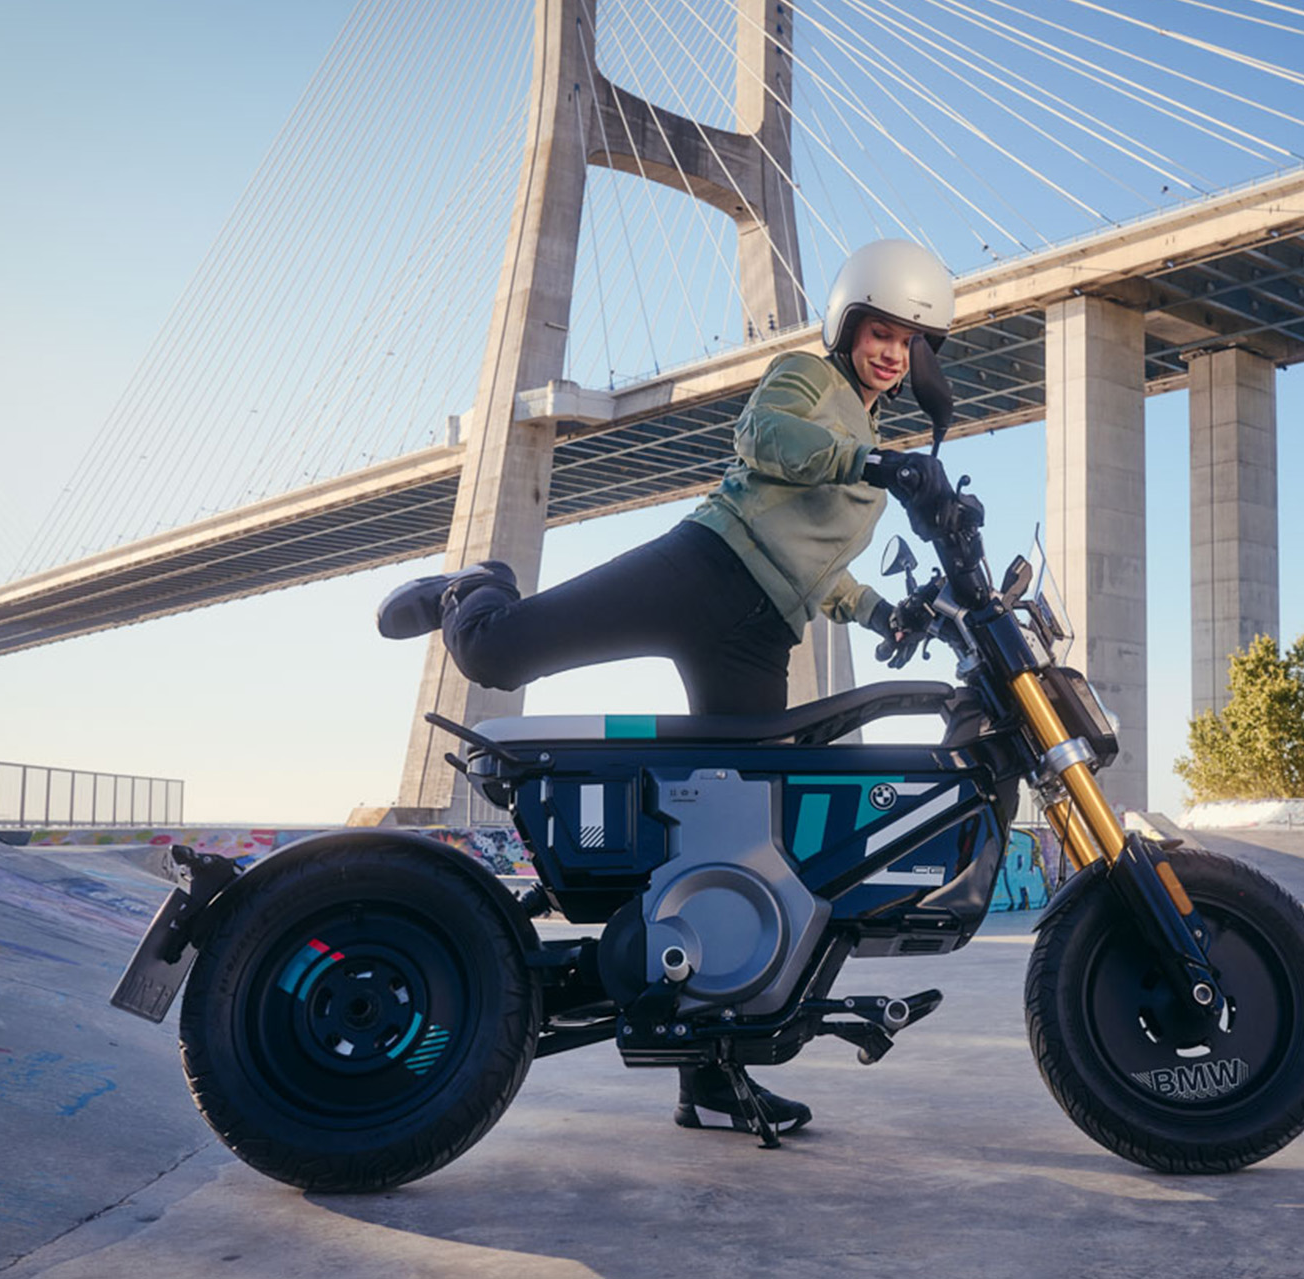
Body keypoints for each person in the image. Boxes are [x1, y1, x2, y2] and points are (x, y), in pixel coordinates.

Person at [376, 239, 957, 1136]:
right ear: (849, 329)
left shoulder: (879, 446)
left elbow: (818, 570)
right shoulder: (809, 381)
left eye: (906, 343)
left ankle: (711, 1077)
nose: (890, 352)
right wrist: (866, 465)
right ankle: (470, 588)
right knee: (500, 656)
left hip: (761, 630)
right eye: (878, 332)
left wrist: (889, 618)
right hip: (706, 567)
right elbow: (762, 440)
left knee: (735, 853)